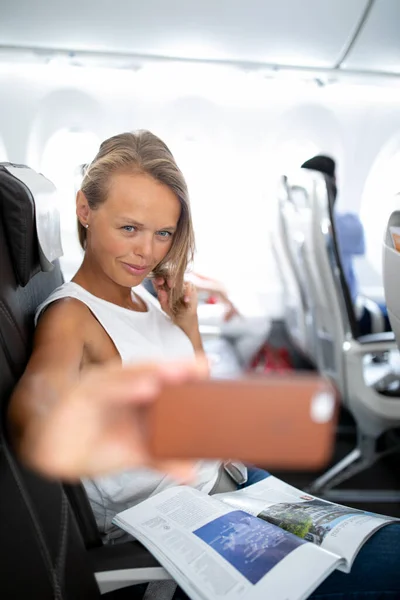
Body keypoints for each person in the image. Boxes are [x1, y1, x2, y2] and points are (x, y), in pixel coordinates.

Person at [8, 132, 400, 598]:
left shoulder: (140, 298)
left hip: (230, 483)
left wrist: (186, 325)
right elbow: (32, 411)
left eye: (163, 233)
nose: (146, 252)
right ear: (84, 210)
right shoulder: (72, 316)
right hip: (184, 524)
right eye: (129, 228)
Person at [301, 155, 390, 335]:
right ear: (334, 182)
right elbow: (361, 244)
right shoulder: (341, 226)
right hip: (352, 316)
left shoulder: (305, 230)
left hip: (330, 318)